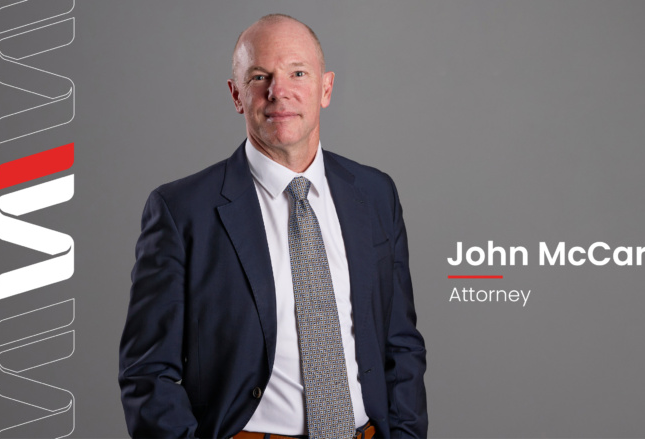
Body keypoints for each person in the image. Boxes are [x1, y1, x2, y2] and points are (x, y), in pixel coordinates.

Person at [119, 13, 428, 439]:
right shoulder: (181, 210)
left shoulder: (375, 194)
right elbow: (146, 372)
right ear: (236, 95)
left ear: (326, 88)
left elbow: (401, 343)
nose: (279, 92)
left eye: (297, 73)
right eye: (260, 76)